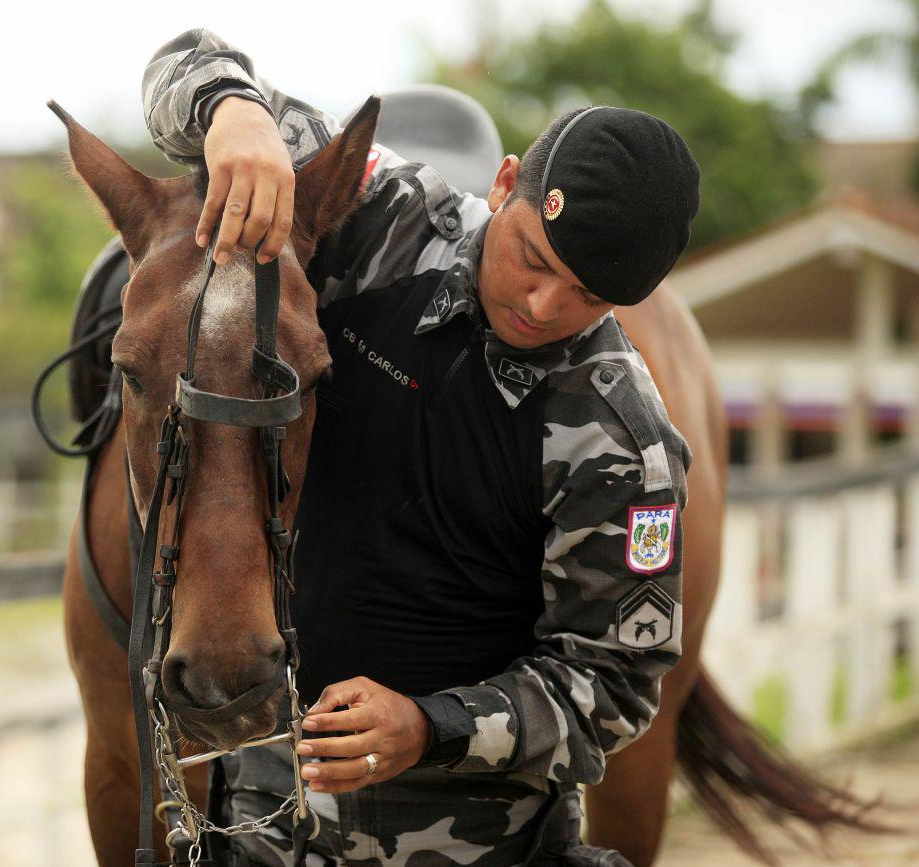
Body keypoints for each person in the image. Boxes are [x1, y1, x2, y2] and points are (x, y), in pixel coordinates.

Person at [132, 28, 698, 866]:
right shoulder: (386, 221)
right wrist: (232, 110)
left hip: (475, 844)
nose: (542, 305)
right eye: (531, 259)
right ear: (505, 182)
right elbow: (182, 62)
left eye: (587, 295)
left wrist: (431, 727)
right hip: (262, 820)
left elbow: (613, 685)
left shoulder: (623, 442)